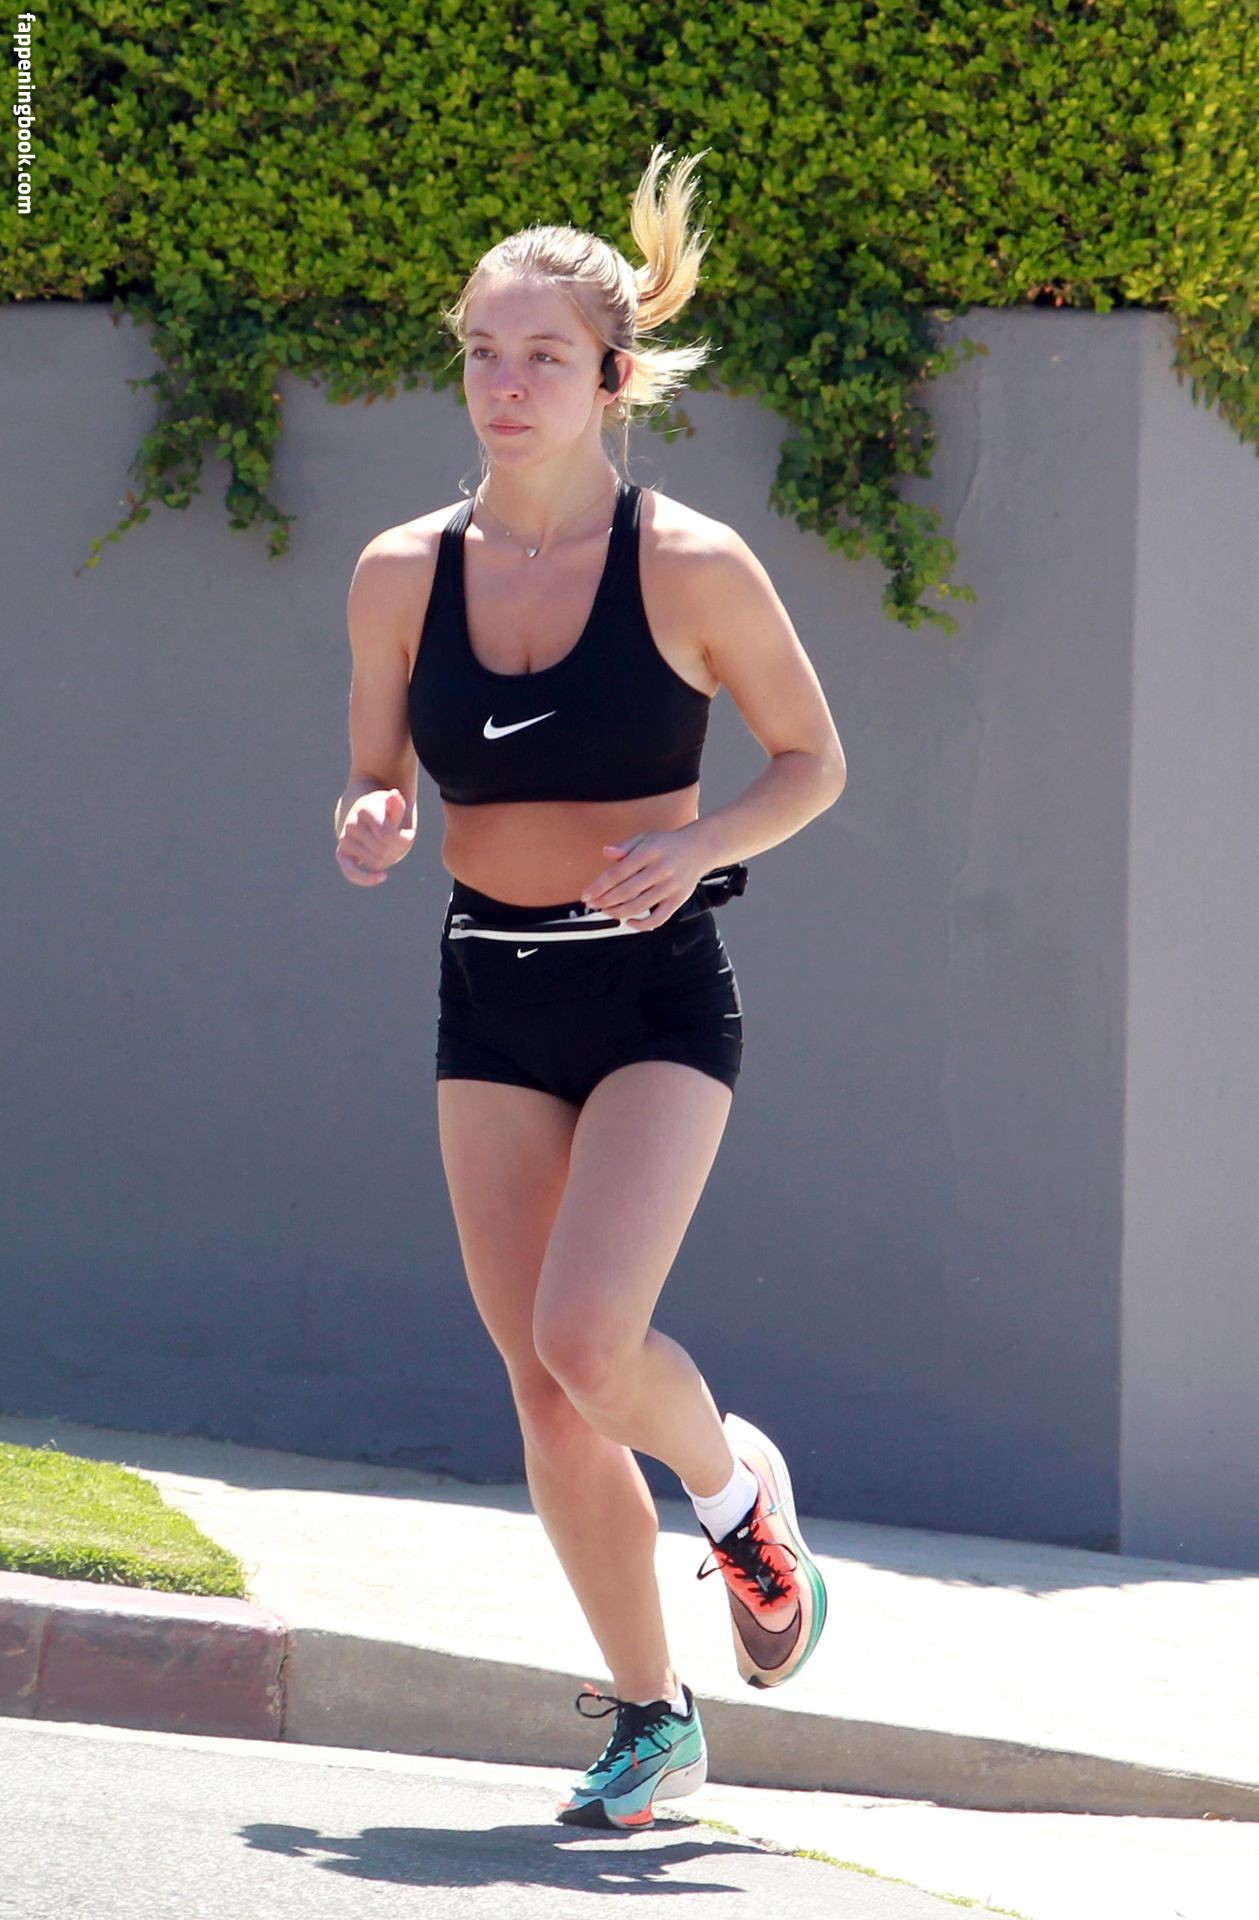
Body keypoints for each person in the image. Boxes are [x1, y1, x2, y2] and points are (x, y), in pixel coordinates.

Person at [333, 144, 846, 1830]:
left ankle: (734, 1492)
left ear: (613, 378)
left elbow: (813, 762)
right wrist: (371, 818)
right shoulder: (399, 572)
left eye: (543, 355)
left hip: (652, 998)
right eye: (483, 351)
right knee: (547, 1395)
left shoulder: (691, 564)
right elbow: (378, 776)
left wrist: (698, 844)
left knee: (587, 1335)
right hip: (488, 993)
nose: (505, 383)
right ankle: (653, 1718)